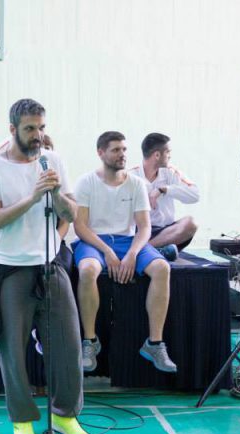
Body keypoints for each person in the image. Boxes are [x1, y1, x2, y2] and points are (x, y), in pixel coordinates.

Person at [0, 98, 88, 434]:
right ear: (12, 129)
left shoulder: (52, 160)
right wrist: (32, 197)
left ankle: (66, 415)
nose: (37, 135)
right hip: (11, 269)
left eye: (41, 127)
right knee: (13, 351)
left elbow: (72, 214)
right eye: (29, 128)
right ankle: (22, 421)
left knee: (68, 346)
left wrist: (55, 193)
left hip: (50, 265)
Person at [72, 131, 176, 374]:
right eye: (116, 150)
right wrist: (107, 251)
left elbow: (145, 227)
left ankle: (155, 343)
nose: (122, 154)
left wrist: (132, 254)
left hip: (128, 241)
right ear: (101, 153)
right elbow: (80, 227)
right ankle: (90, 341)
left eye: (124, 150)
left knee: (162, 268)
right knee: (87, 270)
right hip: (95, 241)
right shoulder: (86, 182)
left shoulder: (136, 183)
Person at [128, 133, 199, 261]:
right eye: (168, 152)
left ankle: (145, 250)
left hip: (166, 233)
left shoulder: (170, 171)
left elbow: (195, 195)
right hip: (138, 233)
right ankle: (154, 251)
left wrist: (164, 189)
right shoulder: (130, 176)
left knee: (191, 223)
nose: (170, 156)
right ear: (157, 155)